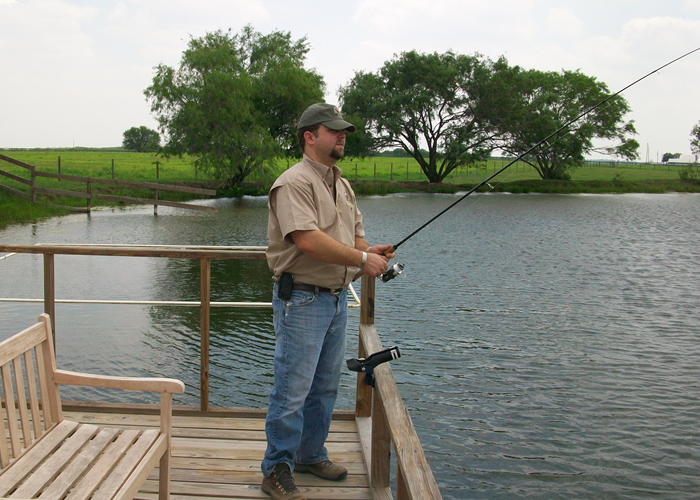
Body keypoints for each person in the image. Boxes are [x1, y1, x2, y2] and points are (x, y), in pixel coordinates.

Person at [262, 103, 395, 500]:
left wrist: (370, 251)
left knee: (323, 388)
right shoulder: (294, 183)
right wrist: (360, 259)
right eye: (333, 131)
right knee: (292, 389)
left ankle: (308, 455)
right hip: (301, 300)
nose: (342, 137)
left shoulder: (342, 183)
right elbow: (306, 239)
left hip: (336, 301)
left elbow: (352, 238)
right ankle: (275, 469)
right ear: (309, 136)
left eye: (343, 132)